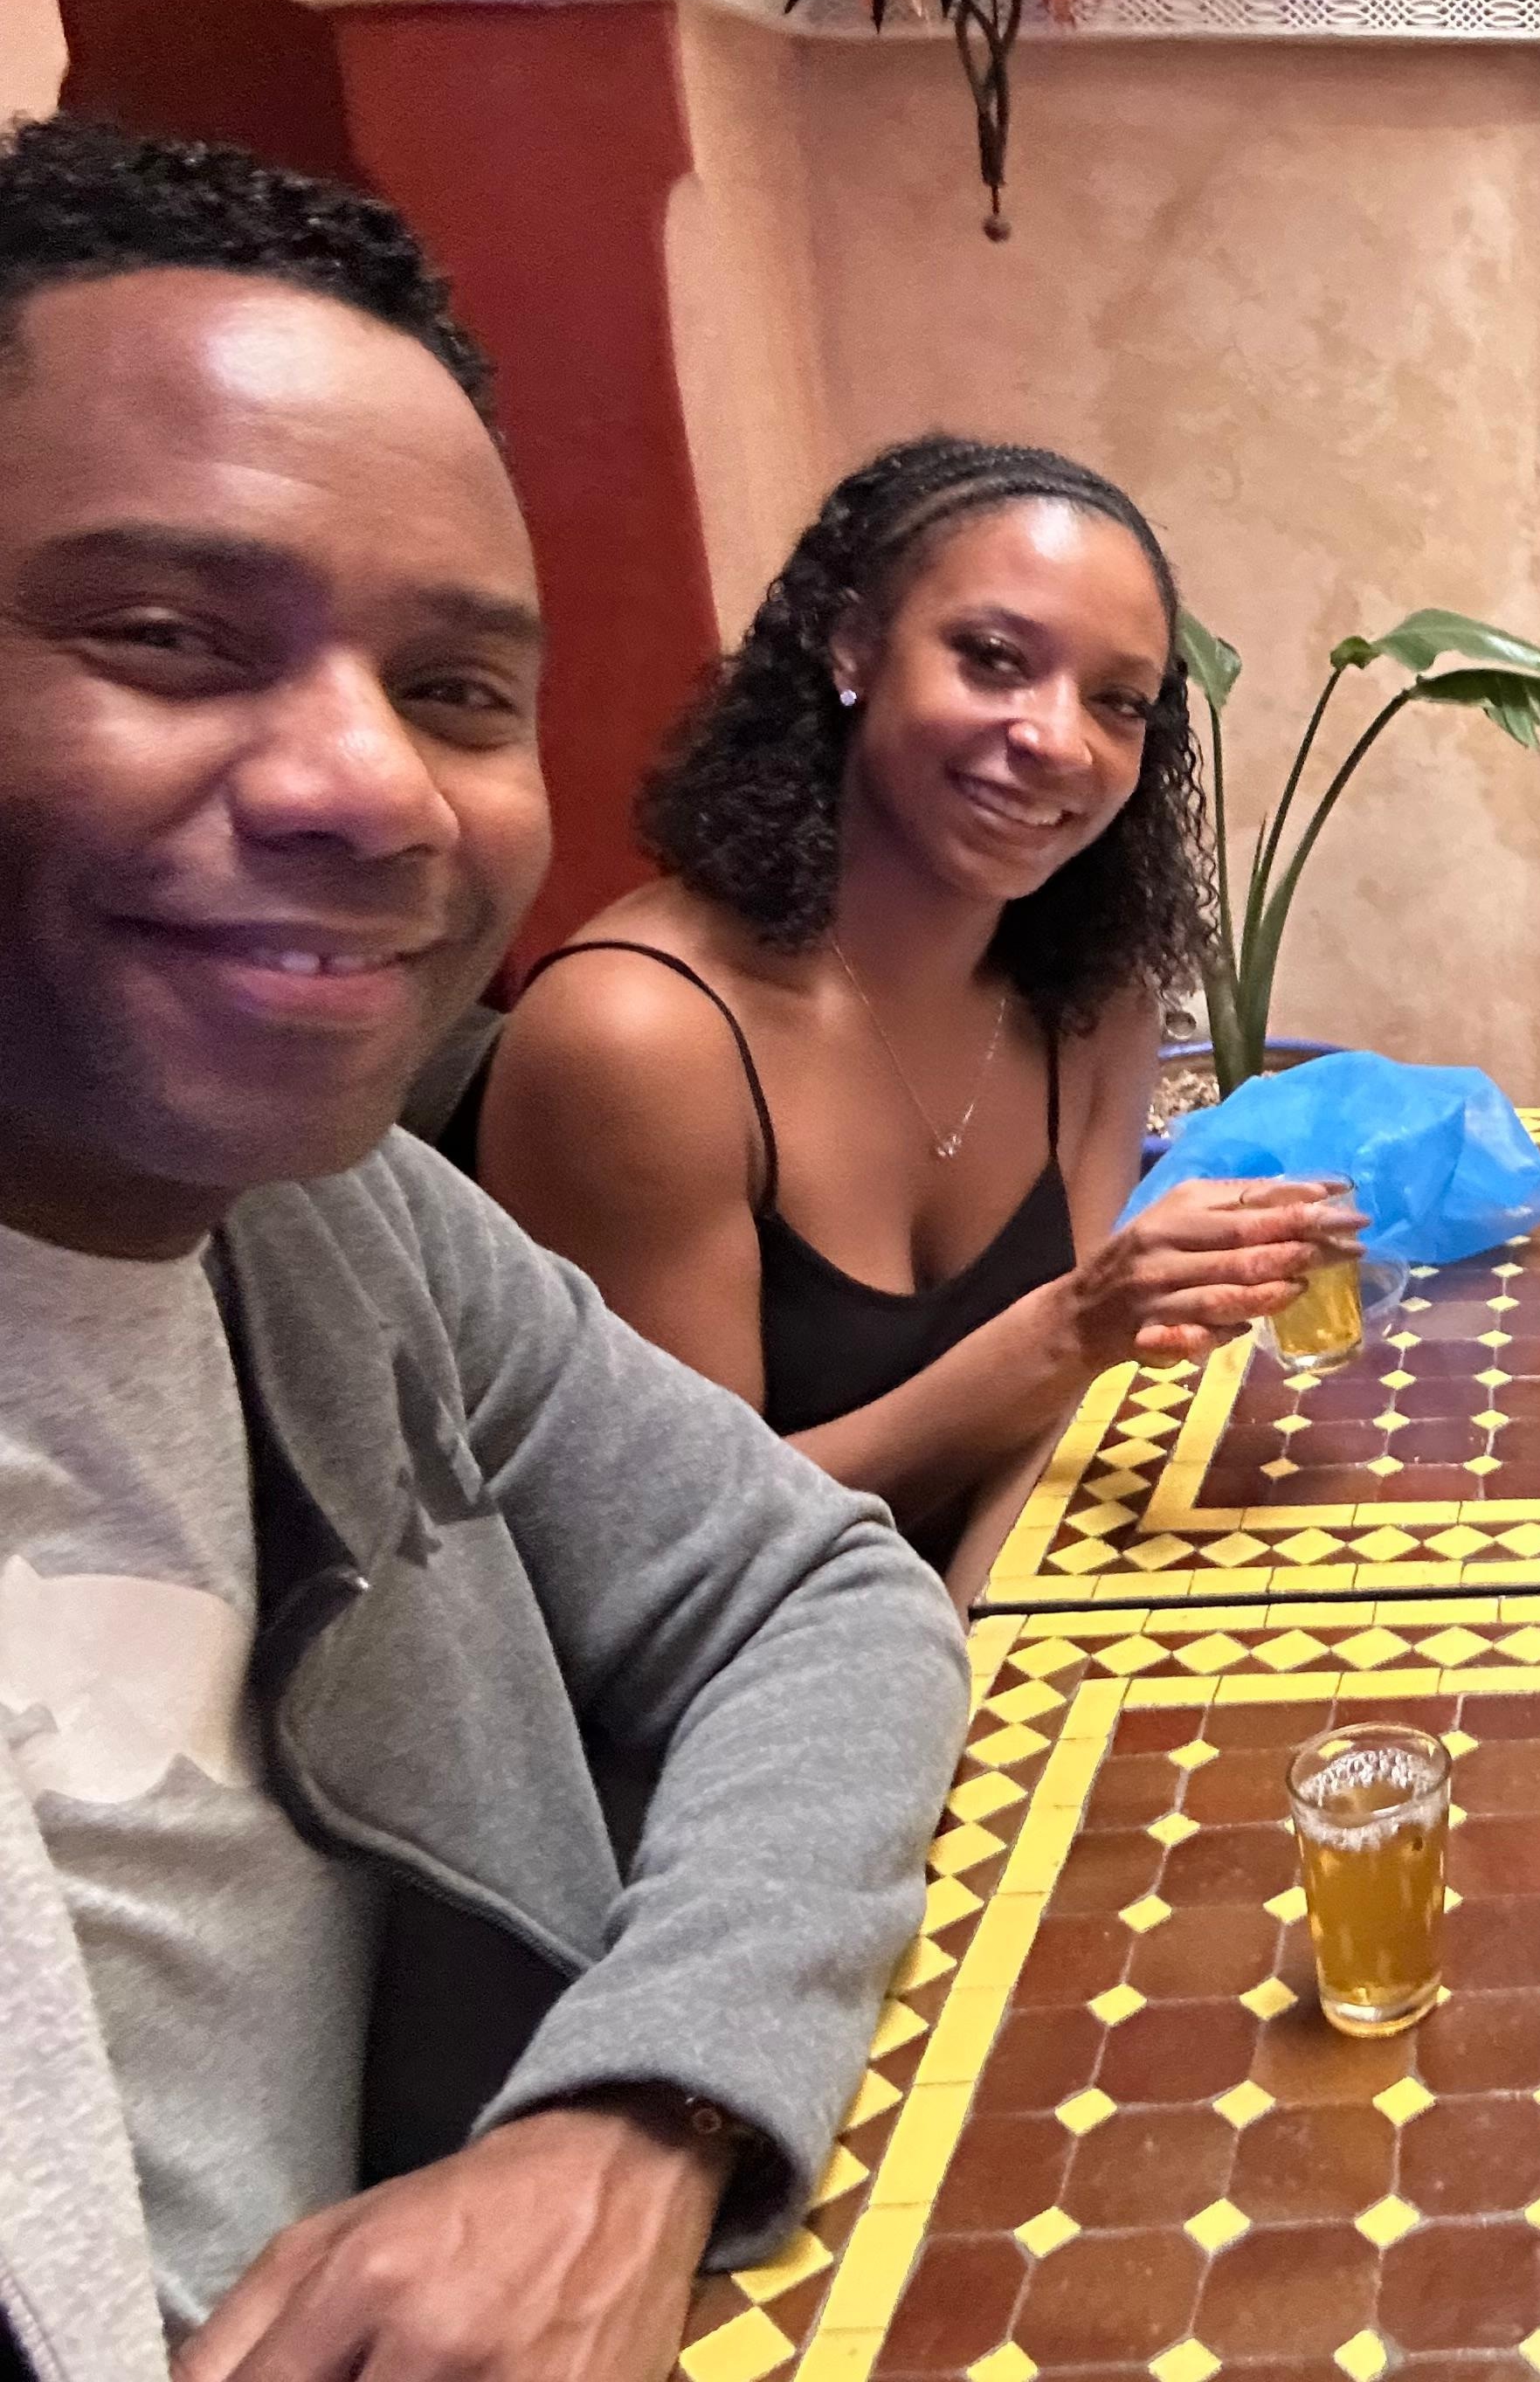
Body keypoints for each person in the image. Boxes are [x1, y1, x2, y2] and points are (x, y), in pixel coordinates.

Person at [0, 116, 966, 2382]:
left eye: (453, 690)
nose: (370, 789)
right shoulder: (631, 1030)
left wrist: (636, 2115)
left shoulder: (338, 1215)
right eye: (166, 638)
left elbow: (811, 1588)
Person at [459, 437, 1357, 1604]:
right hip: (725, 1672)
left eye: (1118, 702)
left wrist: (995, 1638)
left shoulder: (1093, 999)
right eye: (993, 660)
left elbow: (1041, 1424)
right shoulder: (638, 1039)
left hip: (962, 1618)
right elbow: (669, 1554)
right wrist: (1073, 1326)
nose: (1059, 739)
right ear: (853, 646)